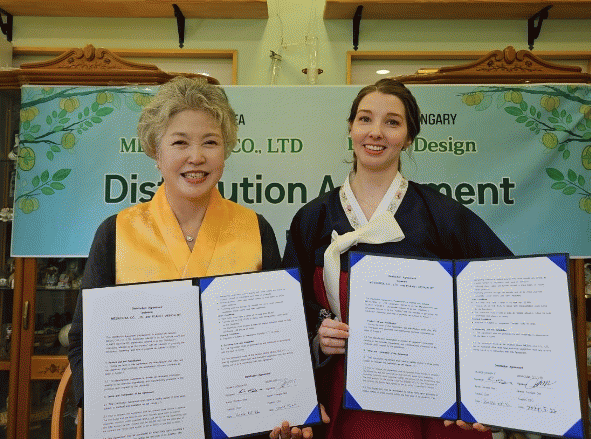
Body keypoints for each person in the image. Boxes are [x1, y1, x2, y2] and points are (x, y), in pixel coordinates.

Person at [68, 76, 313, 439]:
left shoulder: (255, 228)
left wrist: (289, 410)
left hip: (240, 427)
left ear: (225, 151)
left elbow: (279, 342)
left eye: (210, 142)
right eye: (180, 142)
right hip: (146, 426)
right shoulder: (116, 233)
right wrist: (106, 412)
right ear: (156, 152)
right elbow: (83, 342)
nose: (196, 157)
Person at [283, 78, 513, 439]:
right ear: (350, 128)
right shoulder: (312, 219)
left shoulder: (443, 216)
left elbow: (503, 293)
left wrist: (486, 386)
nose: (376, 132)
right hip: (342, 394)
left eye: (392, 122)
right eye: (365, 119)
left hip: (431, 400)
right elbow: (286, 308)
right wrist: (319, 335)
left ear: (408, 137)